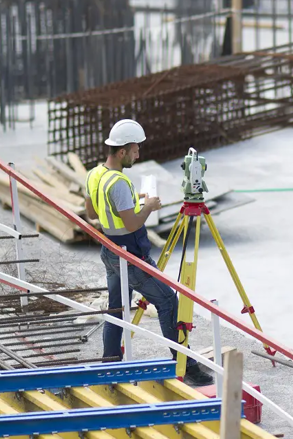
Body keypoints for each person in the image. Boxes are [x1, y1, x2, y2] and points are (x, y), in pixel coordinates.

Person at [84, 118, 214, 387]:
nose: (138, 154)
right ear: (122, 152)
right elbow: (131, 223)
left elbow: (93, 212)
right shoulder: (119, 182)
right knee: (168, 301)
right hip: (130, 255)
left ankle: (109, 364)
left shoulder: (95, 174)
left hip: (110, 251)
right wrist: (149, 207)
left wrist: (132, 201)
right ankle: (185, 366)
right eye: (135, 150)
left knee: (117, 309)